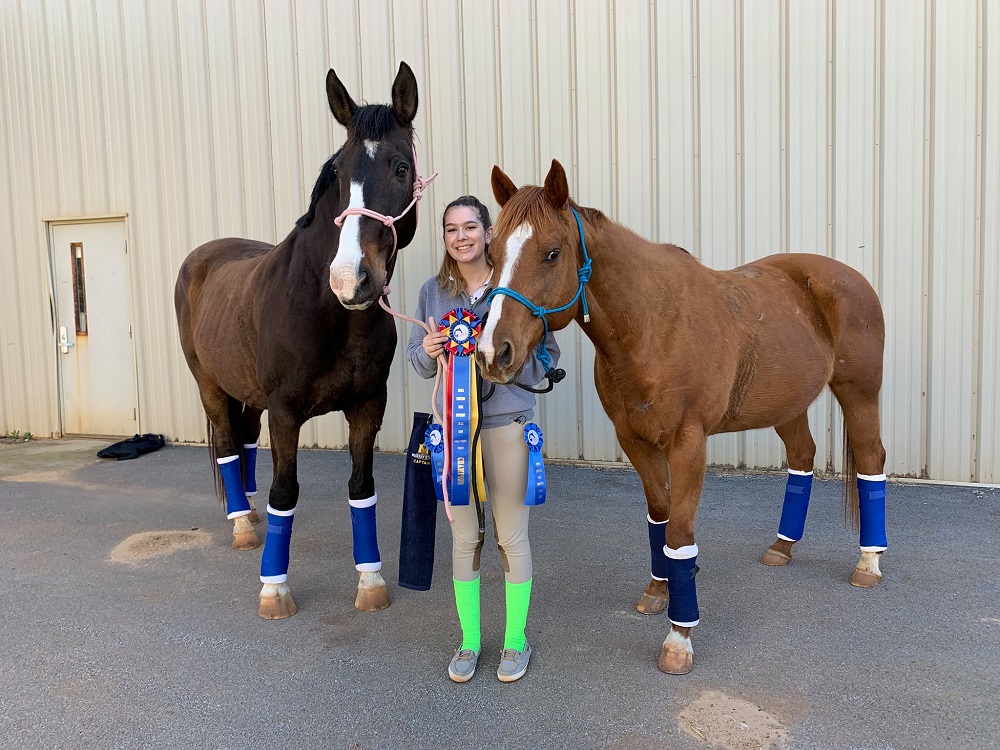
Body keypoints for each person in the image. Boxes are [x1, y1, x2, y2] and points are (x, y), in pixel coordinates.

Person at [406, 195, 560, 684]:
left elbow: (548, 356)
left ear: (488, 233)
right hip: (455, 432)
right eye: (451, 229)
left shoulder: (513, 285)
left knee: (511, 537)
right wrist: (431, 349)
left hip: (507, 426)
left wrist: (505, 361)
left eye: (470, 226)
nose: (461, 236)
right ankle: (470, 641)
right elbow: (416, 360)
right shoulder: (434, 292)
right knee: (464, 538)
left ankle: (515, 641)